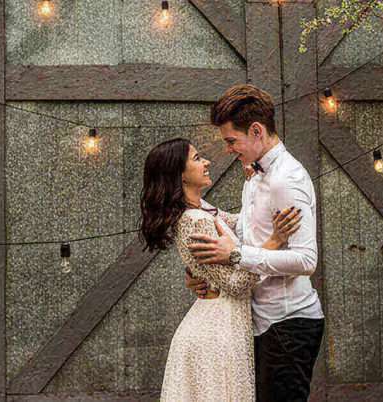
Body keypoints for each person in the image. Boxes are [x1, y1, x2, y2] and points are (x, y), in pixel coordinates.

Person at [186, 84, 325, 402]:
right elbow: (249, 230)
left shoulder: (285, 180)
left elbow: (306, 260)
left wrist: (236, 255)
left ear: (257, 131)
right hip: (265, 322)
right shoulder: (255, 176)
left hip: (289, 324)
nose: (228, 149)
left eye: (232, 141)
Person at [139, 138, 302, 402]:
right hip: (215, 335)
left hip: (223, 326)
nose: (206, 162)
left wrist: (255, 185)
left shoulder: (203, 211)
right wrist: (275, 241)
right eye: (196, 158)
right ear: (180, 176)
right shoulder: (194, 222)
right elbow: (236, 285)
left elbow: (243, 224)